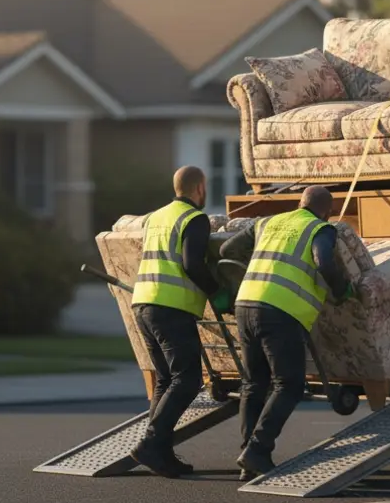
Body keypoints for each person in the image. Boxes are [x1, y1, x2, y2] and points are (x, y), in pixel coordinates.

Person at [220, 185, 353, 479]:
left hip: (245, 303)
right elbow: (324, 262)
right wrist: (342, 290)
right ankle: (256, 449)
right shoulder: (321, 228)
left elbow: (226, 250)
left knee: (255, 384)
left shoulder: (269, 221)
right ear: (327, 211)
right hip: (280, 311)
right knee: (289, 385)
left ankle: (249, 458)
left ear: (299, 203)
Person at [129, 166, 232, 478]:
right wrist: (218, 292)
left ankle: (160, 453)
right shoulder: (194, 219)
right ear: (199, 188)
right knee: (187, 379)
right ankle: (151, 443)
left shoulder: (155, 217)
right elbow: (191, 264)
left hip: (143, 303)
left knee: (165, 380)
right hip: (171, 308)